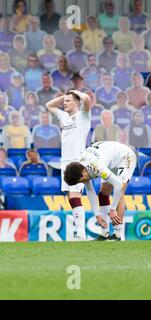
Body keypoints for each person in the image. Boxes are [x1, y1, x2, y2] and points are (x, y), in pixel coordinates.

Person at [64, 141, 137, 241]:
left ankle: (117, 234)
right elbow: (90, 192)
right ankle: (105, 233)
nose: (85, 181)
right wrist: (97, 215)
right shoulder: (80, 168)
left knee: (119, 193)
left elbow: (118, 185)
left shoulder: (96, 167)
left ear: (83, 172)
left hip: (125, 157)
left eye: (83, 180)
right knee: (103, 195)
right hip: (109, 159)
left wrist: (112, 209)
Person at [45, 90, 92, 241]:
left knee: (75, 194)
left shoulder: (83, 116)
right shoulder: (64, 116)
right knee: (70, 196)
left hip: (77, 160)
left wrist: (74, 92)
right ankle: (79, 232)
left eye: (68, 101)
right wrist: (65, 96)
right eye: (64, 101)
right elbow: (49, 105)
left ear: (76, 102)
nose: (64, 103)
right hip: (64, 161)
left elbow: (87, 99)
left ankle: (80, 234)